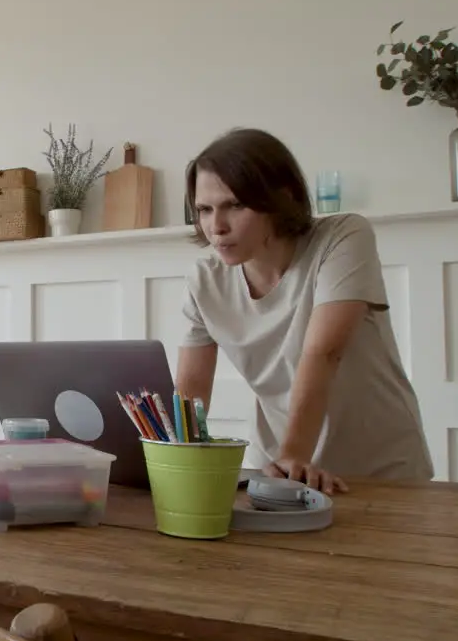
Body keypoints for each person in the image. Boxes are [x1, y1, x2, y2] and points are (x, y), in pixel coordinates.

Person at [175, 127, 433, 494]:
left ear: (281, 198)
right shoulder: (205, 280)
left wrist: (294, 455)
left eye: (235, 205)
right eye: (204, 209)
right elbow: (191, 392)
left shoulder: (343, 237)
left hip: (376, 468)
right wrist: (173, 463)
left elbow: (323, 353)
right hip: (278, 468)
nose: (216, 227)